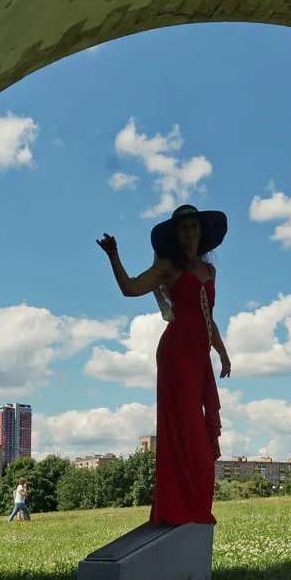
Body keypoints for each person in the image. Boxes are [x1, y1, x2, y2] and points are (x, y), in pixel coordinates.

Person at [97, 204, 231, 526]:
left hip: (200, 358)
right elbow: (130, 288)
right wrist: (114, 256)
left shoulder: (209, 271)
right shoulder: (167, 269)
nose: (191, 233)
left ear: (201, 233)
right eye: (185, 229)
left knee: (199, 435)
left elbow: (208, 318)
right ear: (176, 235)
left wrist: (223, 354)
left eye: (195, 228)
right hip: (176, 355)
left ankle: (195, 505)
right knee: (185, 432)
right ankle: (179, 508)